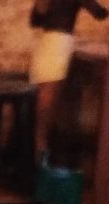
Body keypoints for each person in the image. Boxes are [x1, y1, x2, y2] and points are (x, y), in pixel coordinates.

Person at [30, 0, 109, 154]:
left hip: (44, 41)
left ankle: (36, 147)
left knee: (43, 96)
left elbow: (34, 22)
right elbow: (99, 13)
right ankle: (40, 148)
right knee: (49, 98)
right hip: (59, 43)